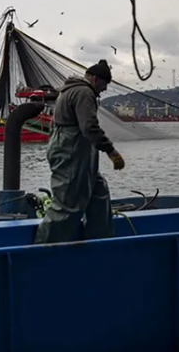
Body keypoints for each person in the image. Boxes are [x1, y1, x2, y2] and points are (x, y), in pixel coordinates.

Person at [34, 59, 125, 244]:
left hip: (79, 152)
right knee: (67, 204)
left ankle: (101, 244)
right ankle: (43, 250)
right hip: (71, 152)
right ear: (93, 78)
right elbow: (89, 128)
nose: (105, 89)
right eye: (103, 83)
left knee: (99, 193)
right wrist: (111, 151)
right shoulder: (84, 93)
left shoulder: (70, 91)